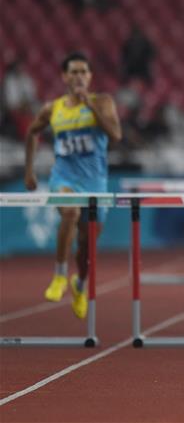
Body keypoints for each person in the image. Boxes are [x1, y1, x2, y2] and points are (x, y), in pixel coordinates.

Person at [23, 52, 121, 319]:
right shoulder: (52, 109)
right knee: (70, 212)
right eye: (73, 72)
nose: (78, 77)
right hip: (64, 179)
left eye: (83, 72)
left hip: (95, 183)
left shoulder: (103, 102)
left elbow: (116, 135)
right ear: (64, 76)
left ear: (90, 77)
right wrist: (29, 171)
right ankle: (59, 276)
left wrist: (90, 106)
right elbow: (32, 132)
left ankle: (80, 284)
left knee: (87, 247)